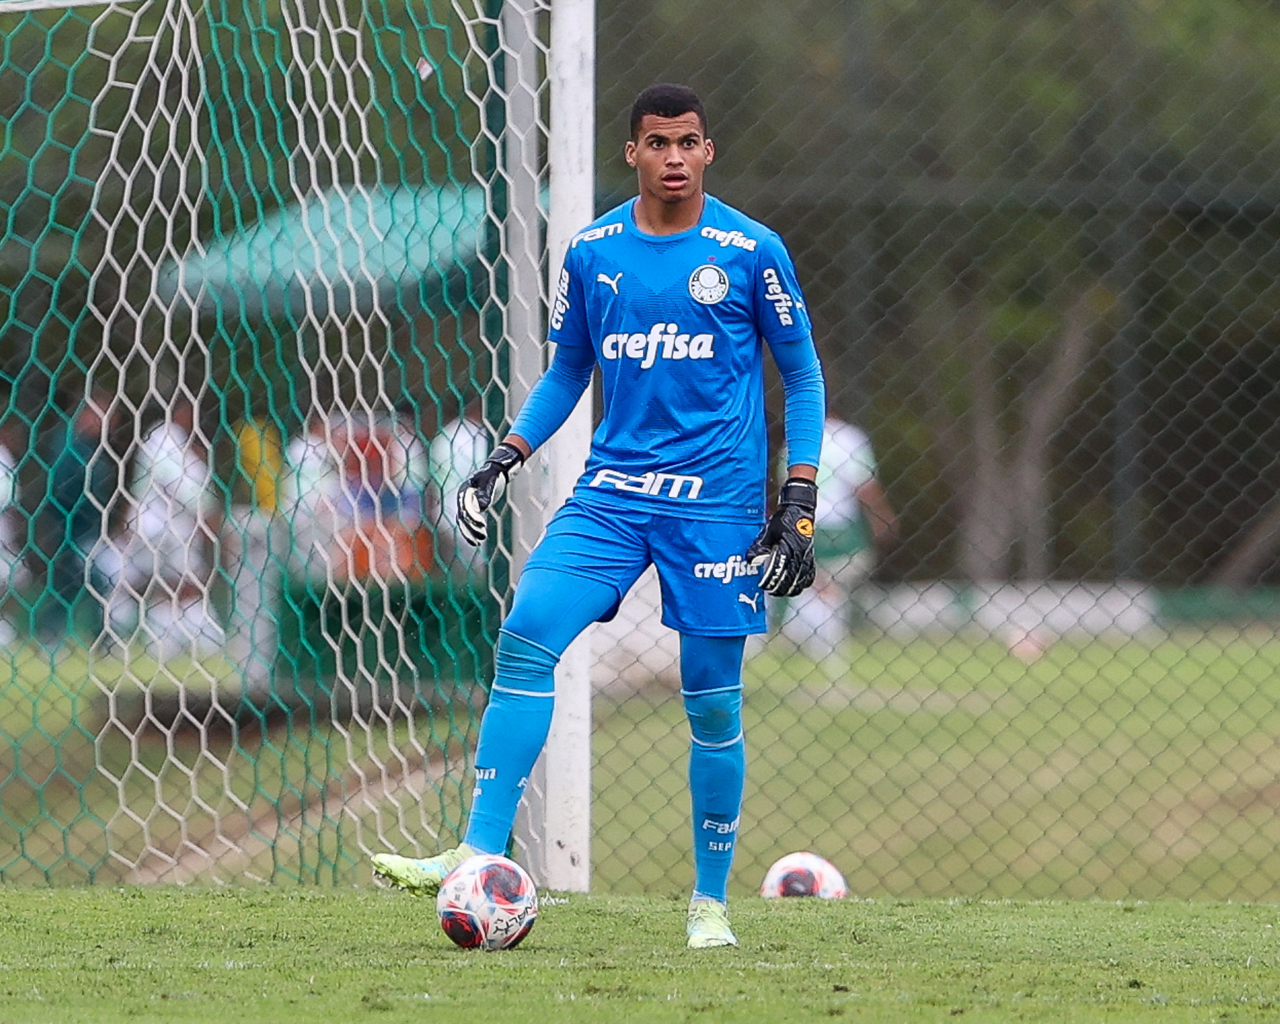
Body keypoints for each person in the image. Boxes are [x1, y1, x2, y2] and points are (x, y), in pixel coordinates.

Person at [371, 83, 826, 949]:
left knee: (712, 704)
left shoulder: (752, 251)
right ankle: (476, 851)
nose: (674, 157)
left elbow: (802, 376)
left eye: (688, 142)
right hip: (612, 495)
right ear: (633, 153)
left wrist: (797, 498)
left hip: (718, 508)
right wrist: (506, 456)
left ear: (708, 150)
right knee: (526, 632)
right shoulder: (593, 251)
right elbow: (567, 372)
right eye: (658, 143)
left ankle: (709, 904)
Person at [102, 398, 223, 657]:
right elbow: (179, 485)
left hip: (163, 526)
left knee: (166, 585)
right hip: (160, 528)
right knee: (169, 583)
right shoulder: (164, 439)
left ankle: (163, 640)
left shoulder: (172, 442)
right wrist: (205, 512)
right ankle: (135, 638)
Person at [779, 416, 898, 657]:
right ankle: (828, 632)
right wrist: (881, 517)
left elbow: (786, 485)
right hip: (841, 526)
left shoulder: (797, 436)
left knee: (812, 582)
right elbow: (864, 485)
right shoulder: (849, 438)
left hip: (805, 521)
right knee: (839, 579)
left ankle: (801, 630)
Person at [39, 388, 120, 642]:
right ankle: (100, 636)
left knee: (73, 584)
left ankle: (53, 633)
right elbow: (62, 489)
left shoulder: (87, 447)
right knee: (95, 581)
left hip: (86, 529)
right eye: (103, 416)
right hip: (72, 528)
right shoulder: (69, 446)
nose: (108, 424)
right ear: (86, 414)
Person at [425, 399, 489, 572]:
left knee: (458, 570)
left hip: (445, 511)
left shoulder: (445, 434)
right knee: (481, 569)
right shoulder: (479, 436)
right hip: (474, 511)